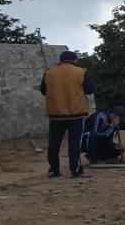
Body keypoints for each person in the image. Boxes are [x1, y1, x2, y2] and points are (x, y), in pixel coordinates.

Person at [40, 50, 94, 178]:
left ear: (61, 60)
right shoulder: (81, 72)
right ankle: (75, 169)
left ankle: (54, 169)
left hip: (55, 113)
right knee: (75, 142)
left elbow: (43, 91)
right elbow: (90, 90)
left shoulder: (49, 73)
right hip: (76, 113)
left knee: (54, 142)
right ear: (74, 60)